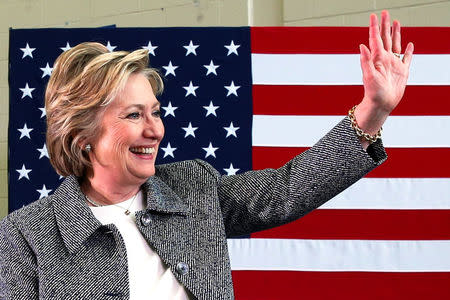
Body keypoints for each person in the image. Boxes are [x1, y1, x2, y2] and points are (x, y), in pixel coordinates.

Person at [0, 11, 413, 300]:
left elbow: (288, 190)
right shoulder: (25, 236)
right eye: (133, 115)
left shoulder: (194, 186)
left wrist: (372, 111)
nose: (155, 130)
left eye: (155, 113)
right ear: (83, 135)